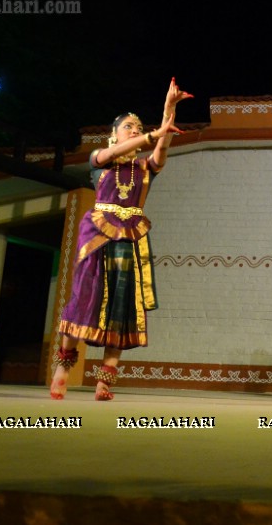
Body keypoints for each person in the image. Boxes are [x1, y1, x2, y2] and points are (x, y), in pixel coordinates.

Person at [50, 78, 192, 400]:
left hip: (130, 237)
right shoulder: (100, 158)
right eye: (129, 126)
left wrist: (169, 110)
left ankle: (104, 381)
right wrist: (151, 133)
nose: (134, 129)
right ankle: (63, 369)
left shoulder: (145, 168)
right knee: (84, 295)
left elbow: (162, 150)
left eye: (138, 126)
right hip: (98, 233)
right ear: (114, 134)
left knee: (122, 304)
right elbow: (118, 151)